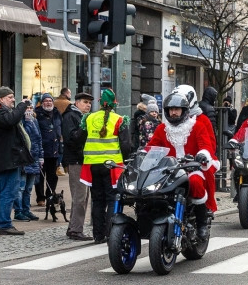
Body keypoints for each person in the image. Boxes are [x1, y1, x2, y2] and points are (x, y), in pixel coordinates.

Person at [144, 92, 219, 239]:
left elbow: (206, 145)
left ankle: (202, 223)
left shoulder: (197, 126)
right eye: (170, 109)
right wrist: (142, 154)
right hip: (168, 170)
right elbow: (152, 147)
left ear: (184, 110)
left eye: (177, 109)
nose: (173, 112)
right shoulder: (162, 129)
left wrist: (203, 154)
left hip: (191, 168)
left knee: (196, 182)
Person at [79, 89, 132, 243]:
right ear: (114, 103)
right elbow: (126, 145)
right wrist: (126, 161)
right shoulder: (119, 120)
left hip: (92, 165)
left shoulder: (89, 118)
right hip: (111, 166)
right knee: (111, 199)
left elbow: (79, 137)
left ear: (100, 103)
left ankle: (98, 235)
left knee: (97, 201)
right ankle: (110, 233)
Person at [0, 87, 33, 236]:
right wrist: (22, 105)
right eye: (10, 97)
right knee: (9, 192)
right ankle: (5, 224)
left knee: (0, 191)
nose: (13, 99)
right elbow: (11, 120)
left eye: (13, 97)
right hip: (7, 159)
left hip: (5, 158)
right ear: (1, 99)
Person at [62, 92, 93, 241]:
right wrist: (84, 128)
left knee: (82, 196)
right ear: (77, 103)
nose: (88, 105)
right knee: (79, 196)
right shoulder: (70, 117)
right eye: (85, 102)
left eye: (89, 103)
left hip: (82, 160)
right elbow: (72, 139)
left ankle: (73, 227)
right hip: (76, 160)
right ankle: (75, 230)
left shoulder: (80, 116)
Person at [34, 93, 63, 207]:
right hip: (42, 150)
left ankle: (50, 196)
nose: (48, 103)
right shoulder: (37, 114)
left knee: (52, 176)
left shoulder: (57, 113)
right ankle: (40, 198)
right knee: (40, 176)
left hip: (55, 150)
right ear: (42, 102)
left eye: (50, 100)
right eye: (45, 101)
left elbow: (60, 128)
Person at [17, 103, 43, 222]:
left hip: (34, 158)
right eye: (26, 108)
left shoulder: (35, 121)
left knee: (28, 188)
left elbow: (38, 139)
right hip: (24, 158)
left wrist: (41, 157)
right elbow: (24, 136)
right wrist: (27, 121)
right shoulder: (20, 121)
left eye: (30, 108)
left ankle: (26, 209)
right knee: (21, 187)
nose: (29, 110)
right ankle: (19, 210)